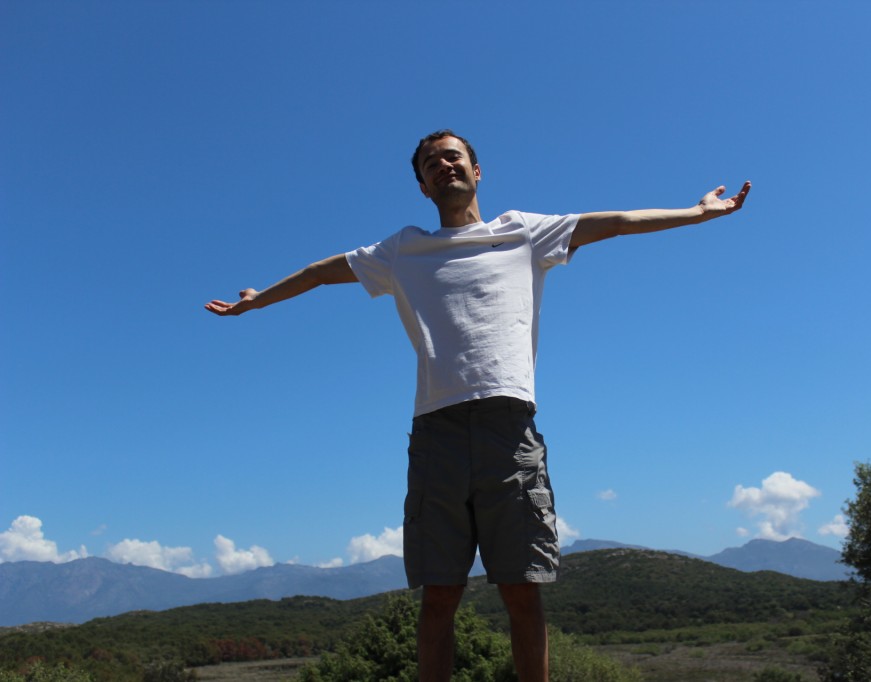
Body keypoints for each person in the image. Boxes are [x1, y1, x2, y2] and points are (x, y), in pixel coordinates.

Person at [205, 129, 750, 682]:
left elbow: (615, 222)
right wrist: (258, 300)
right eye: (430, 163)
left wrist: (696, 213)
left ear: (476, 170)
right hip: (436, 432)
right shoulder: (402, 250)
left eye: (453, 156)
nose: (443, 165)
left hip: (507, 427)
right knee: (439, 595)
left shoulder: (523, 232)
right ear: (423, 186)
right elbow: (322, 272)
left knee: (522, 589)